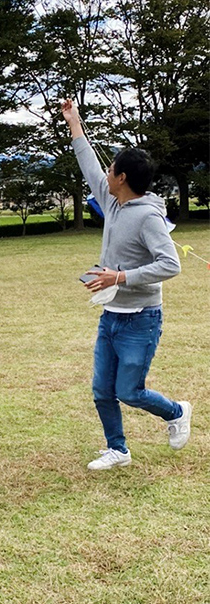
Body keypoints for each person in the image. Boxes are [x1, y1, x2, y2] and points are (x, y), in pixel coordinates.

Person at [61, 98, 192, 470]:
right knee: (102, 390)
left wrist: (119, 277)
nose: (106, 171)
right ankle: (117, 450)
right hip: (111, 315)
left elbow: (171, 264)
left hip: (141, 319)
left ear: (122, 178)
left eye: (112, 168)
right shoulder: (112, 201)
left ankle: (177, 411)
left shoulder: (148, 216)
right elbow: (89, 164)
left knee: (129, 392)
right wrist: (74, 123)